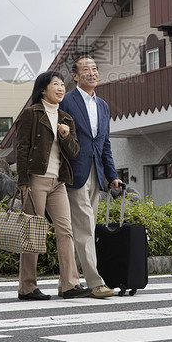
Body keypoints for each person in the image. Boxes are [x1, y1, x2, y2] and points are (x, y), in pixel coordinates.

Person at [15, 71, 91, 301]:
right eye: (55, 84)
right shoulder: (31, 114)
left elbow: (74, 151)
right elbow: (21, 149)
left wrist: (66, 136)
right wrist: (23, 181)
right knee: (33, 232)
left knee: (65, 231)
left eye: (62, 85)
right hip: (35, 180)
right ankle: (27, 287)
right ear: (43, 90)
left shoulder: (66, 118)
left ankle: (69, 284)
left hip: (58, 182)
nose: (60, 88)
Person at [59, 56, 123, 299]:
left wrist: (112, 175)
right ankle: (95, 282)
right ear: (75, 76)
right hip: (74, 173)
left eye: (95, 69)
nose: (92, 73)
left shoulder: (103, 106)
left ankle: (67, 282)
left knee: (84, 229)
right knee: (85, 226)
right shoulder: (66, 101)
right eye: (86, 69)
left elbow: (104, 143)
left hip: (96, 173)